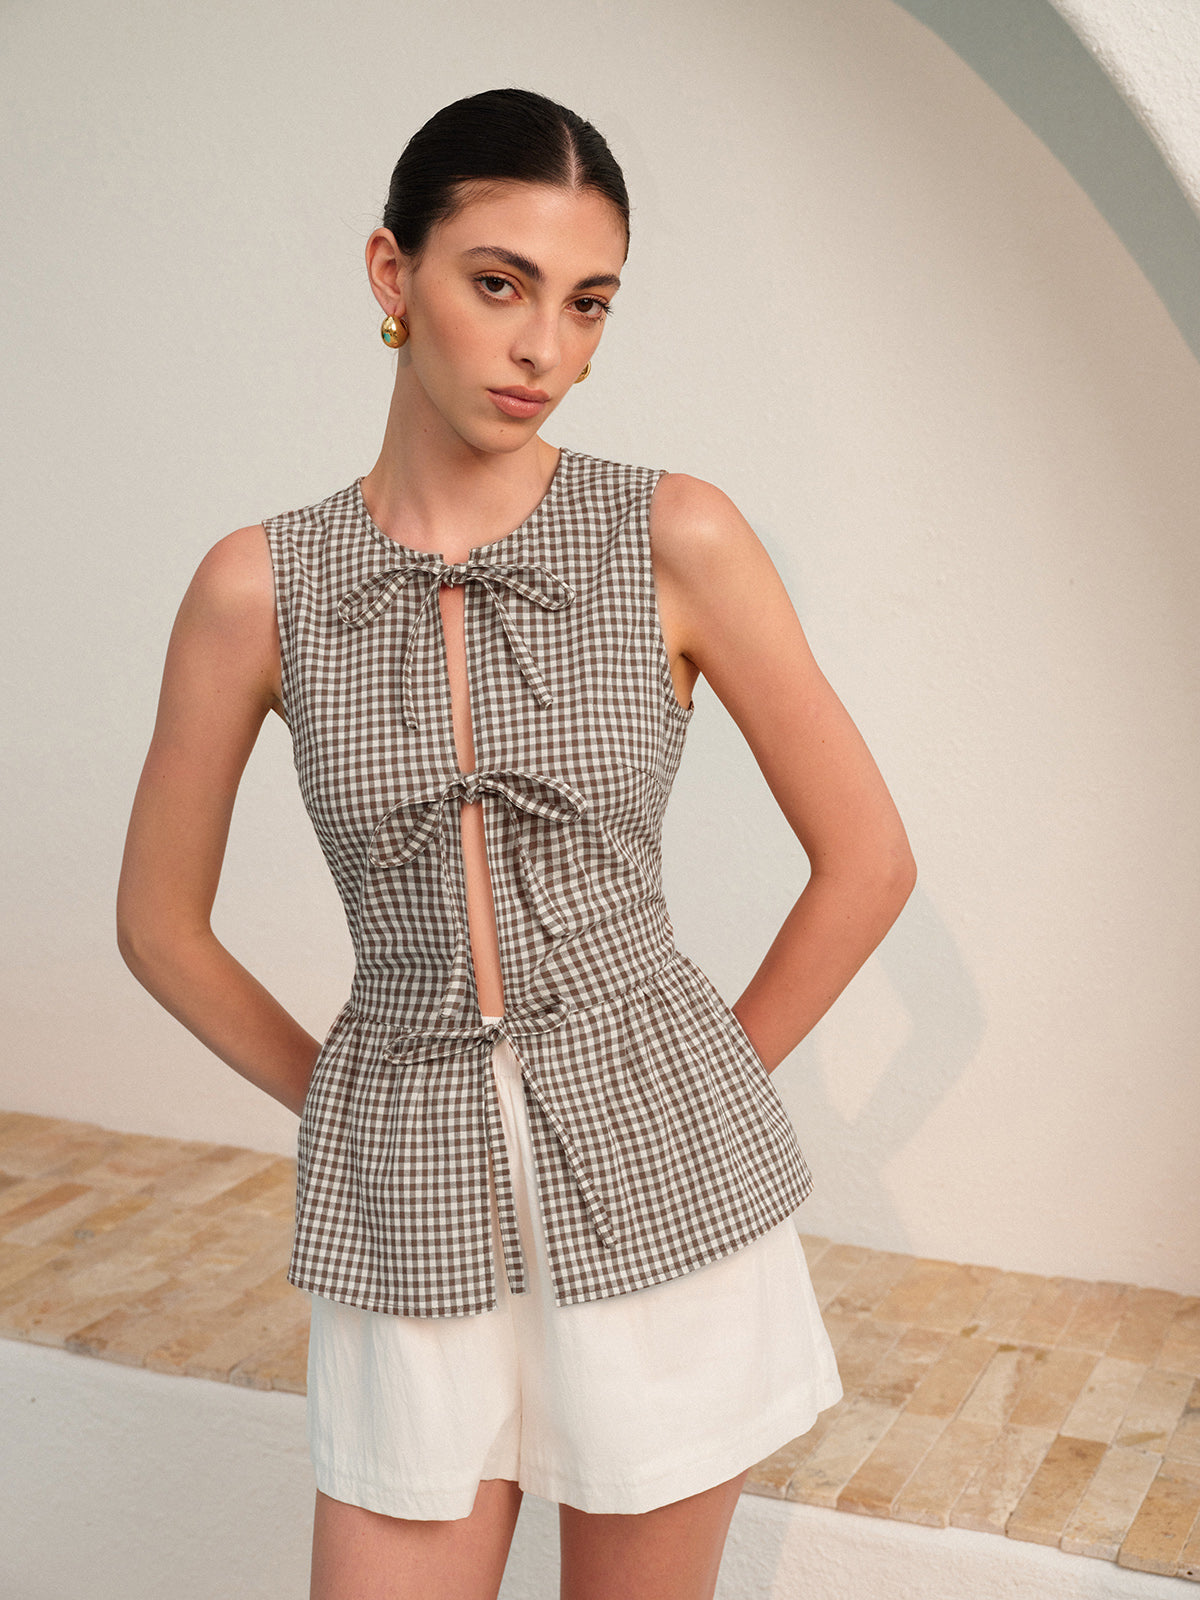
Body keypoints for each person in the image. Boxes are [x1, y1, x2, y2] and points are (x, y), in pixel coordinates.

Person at [117, 88, 916, 1600]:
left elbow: (869, 859)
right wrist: (346, 1099)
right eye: (500, 284)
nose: (544, 346)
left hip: (663, 1191)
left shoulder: (679, 536)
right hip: (404, 1203)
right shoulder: (255, 589)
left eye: (587, 302)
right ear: (392, 273)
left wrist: (696, 1087)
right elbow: (159, 924)